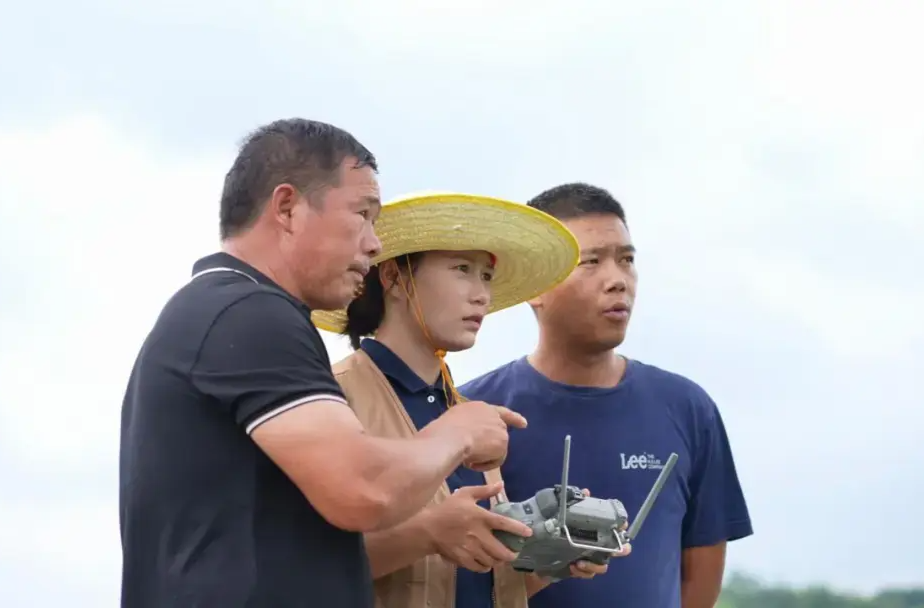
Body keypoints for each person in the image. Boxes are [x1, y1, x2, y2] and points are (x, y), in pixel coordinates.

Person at [118, 121, 528, 608]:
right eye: (362, 214)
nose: (375, 245)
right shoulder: (249, 314)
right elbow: (363, 488)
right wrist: (457, 432)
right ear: (287, 208)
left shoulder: (226, 309)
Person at [311, 191, 631, 608]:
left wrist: (552, 559)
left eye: (486, 276)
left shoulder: (470, 415)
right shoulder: (329, 398)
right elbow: (295, 564)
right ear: (393, 277)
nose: (482, 294)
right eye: (462, 269)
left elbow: (476, 585)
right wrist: (428, 532)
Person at [460, 183, 753, 608]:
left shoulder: (688, 408)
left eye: (627, 260)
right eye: (591, 262)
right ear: (534, 287)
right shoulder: (474, 413)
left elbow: (701, 572)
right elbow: (452, 580)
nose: (618, 280)